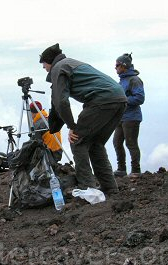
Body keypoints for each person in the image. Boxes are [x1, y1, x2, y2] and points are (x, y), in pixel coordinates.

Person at [39, 43, 127, 196]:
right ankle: (109, 188)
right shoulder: (72, 63)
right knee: (96, 144)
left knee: (77, 140)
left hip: (101, 101)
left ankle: (87, 189)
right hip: (119, 99)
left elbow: (61, 102)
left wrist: (72, 126)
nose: (43, 68)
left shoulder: (58, 68)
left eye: (44, 64)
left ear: (49, 62)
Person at [113, 53, 145, 178]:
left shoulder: (134, 80)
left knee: (131, 143)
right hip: (121, 118)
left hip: (131, 117)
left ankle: (136, 170)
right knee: (117, 142)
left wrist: (123, 100)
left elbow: (140, 98)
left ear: (124, 66)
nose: (115, 68)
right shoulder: (123, 80)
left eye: (117, 65)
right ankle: (121, 169)